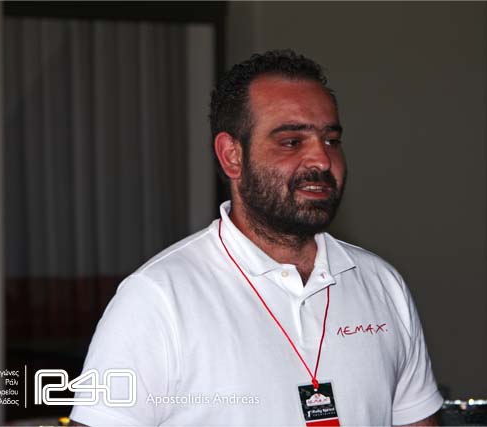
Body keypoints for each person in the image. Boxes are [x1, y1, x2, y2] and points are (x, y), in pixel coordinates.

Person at [70, 49, 443, 426]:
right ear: (232, 156)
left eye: (331, 140)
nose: (321, 160)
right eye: (291, 141)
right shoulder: (158, 299)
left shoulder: (381, 284)